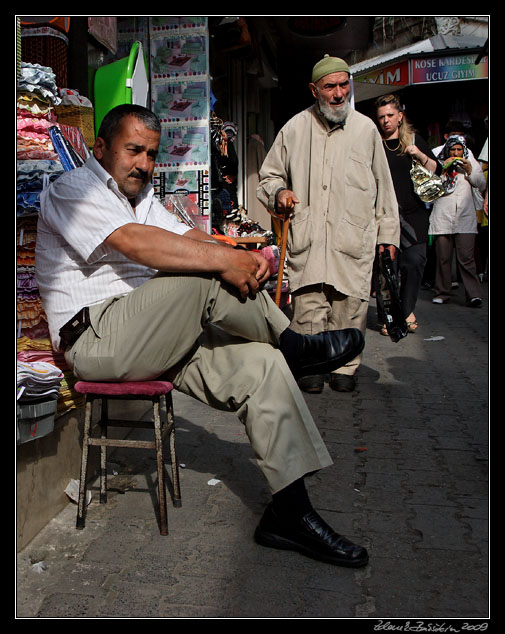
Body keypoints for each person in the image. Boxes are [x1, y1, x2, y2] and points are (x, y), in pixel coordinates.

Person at [35, 104, 369, 568]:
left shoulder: (145, 200)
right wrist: (220, 261)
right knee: (201, 273)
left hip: (156, 335)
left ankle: (290, 514)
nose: (144, 164)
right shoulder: (73, 189)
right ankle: (293, 344)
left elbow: (193, 239)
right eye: (133, 151)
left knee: (261, 366)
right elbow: (136, 242)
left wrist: (244, 257)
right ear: (100, 149)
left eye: (152, 154)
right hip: (97, 341)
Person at [257, 55, 400, 394]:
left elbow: (384, 189)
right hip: (309, 239)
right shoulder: (294, 128)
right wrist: (279, 193)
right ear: (314, 90)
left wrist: (389, 236)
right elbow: (268, 177)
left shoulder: (366, 130)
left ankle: (346, 367)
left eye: (343, 85)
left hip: (353, 239)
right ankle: (310, 365)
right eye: (330, 86)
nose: (338, 93)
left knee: (350, 306)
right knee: (308, 306)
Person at [374, 93, 442, 334]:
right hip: (384, 215)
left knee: (413, 264)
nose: (385, 121)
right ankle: (389, 317)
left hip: (413, 215)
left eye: (390, 115)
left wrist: (420, 155)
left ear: (400, 116)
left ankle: (404, 310)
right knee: (386, 268)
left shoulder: (413, 140)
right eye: (381, 117)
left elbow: (437, 170)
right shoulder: (374, 144)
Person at [428, 135, 486, 306]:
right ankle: (442, 292)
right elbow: (429, 187)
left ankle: (474, 294)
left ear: (463, 150)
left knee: (466, 258)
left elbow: (481, 184)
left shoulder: (471, 162)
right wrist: (443, 170)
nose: (455, 153)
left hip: (465, 218)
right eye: (452, 150)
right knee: (443, 258)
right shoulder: (438, 164)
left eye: (459, 150)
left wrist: (469, 170)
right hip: (443, 218)